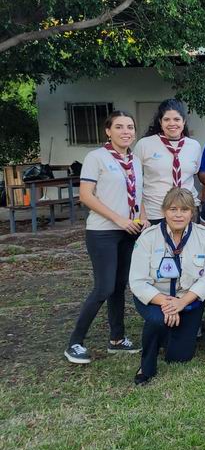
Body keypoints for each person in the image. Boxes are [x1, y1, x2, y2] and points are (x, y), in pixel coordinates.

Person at [64, 111, 147, 364]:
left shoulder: (134, 160)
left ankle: (117, 339)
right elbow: (86, 196)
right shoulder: (96, 157)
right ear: (107, 131)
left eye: (130, 127)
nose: (126, 131)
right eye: (119, 127)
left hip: (129, 231)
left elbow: (138, 194)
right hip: (103, 231)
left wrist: (141, 217)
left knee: (119, 286)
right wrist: (118, 219)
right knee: (104, 286)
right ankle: (75, 343)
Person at [128, 188, 205, 385]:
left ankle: (167, 337)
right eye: (172, 209)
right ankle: (146, 365)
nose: (178, 214)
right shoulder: (148, 238)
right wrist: (168, 303)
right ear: (163, 211)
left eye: (184, 210)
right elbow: (138, 281)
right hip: (154, 299)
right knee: (158, 320)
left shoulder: (204, 236)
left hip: (188, 300)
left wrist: (181, 302)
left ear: (192, 212)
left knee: (179, 357)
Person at [135, 99, 203, 224]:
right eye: (167, 119)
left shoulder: (194, 146)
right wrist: (141, 214)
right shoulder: (144, 144)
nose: (172, 123)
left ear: (184, 121)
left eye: (177, 119)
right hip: (155, 212)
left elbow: (194, 173)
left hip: (187, 211)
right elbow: (135, 181)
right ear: (160, 122)